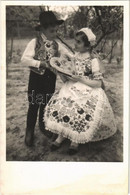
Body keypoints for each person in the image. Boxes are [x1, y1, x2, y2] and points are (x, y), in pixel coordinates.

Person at [44, 27, 117, 155]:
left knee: (80, 107)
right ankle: (61, 135)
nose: (75, 44)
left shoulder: (93, 60)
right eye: (75, 41)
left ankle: (75, 140)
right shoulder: (75, 56)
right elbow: (69, 76)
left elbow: (98, 83)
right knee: (64, 105)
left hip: (88, 87)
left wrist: (81, 79)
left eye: (78, 42)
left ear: (88, 46)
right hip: (72, 85)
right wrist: (61, 71)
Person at [21, 11, 64, 146]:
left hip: (50, 79)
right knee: (34, 105)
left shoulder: (57, 44)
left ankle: (43, 125)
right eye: (52, 29)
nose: (55, 32)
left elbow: (66, 57)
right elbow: (24, 60)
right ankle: (29, 131)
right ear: (43, 29)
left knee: (46, 104)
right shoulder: (34, 42)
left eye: (56, 29)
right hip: (36, 79)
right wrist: (40, 64)